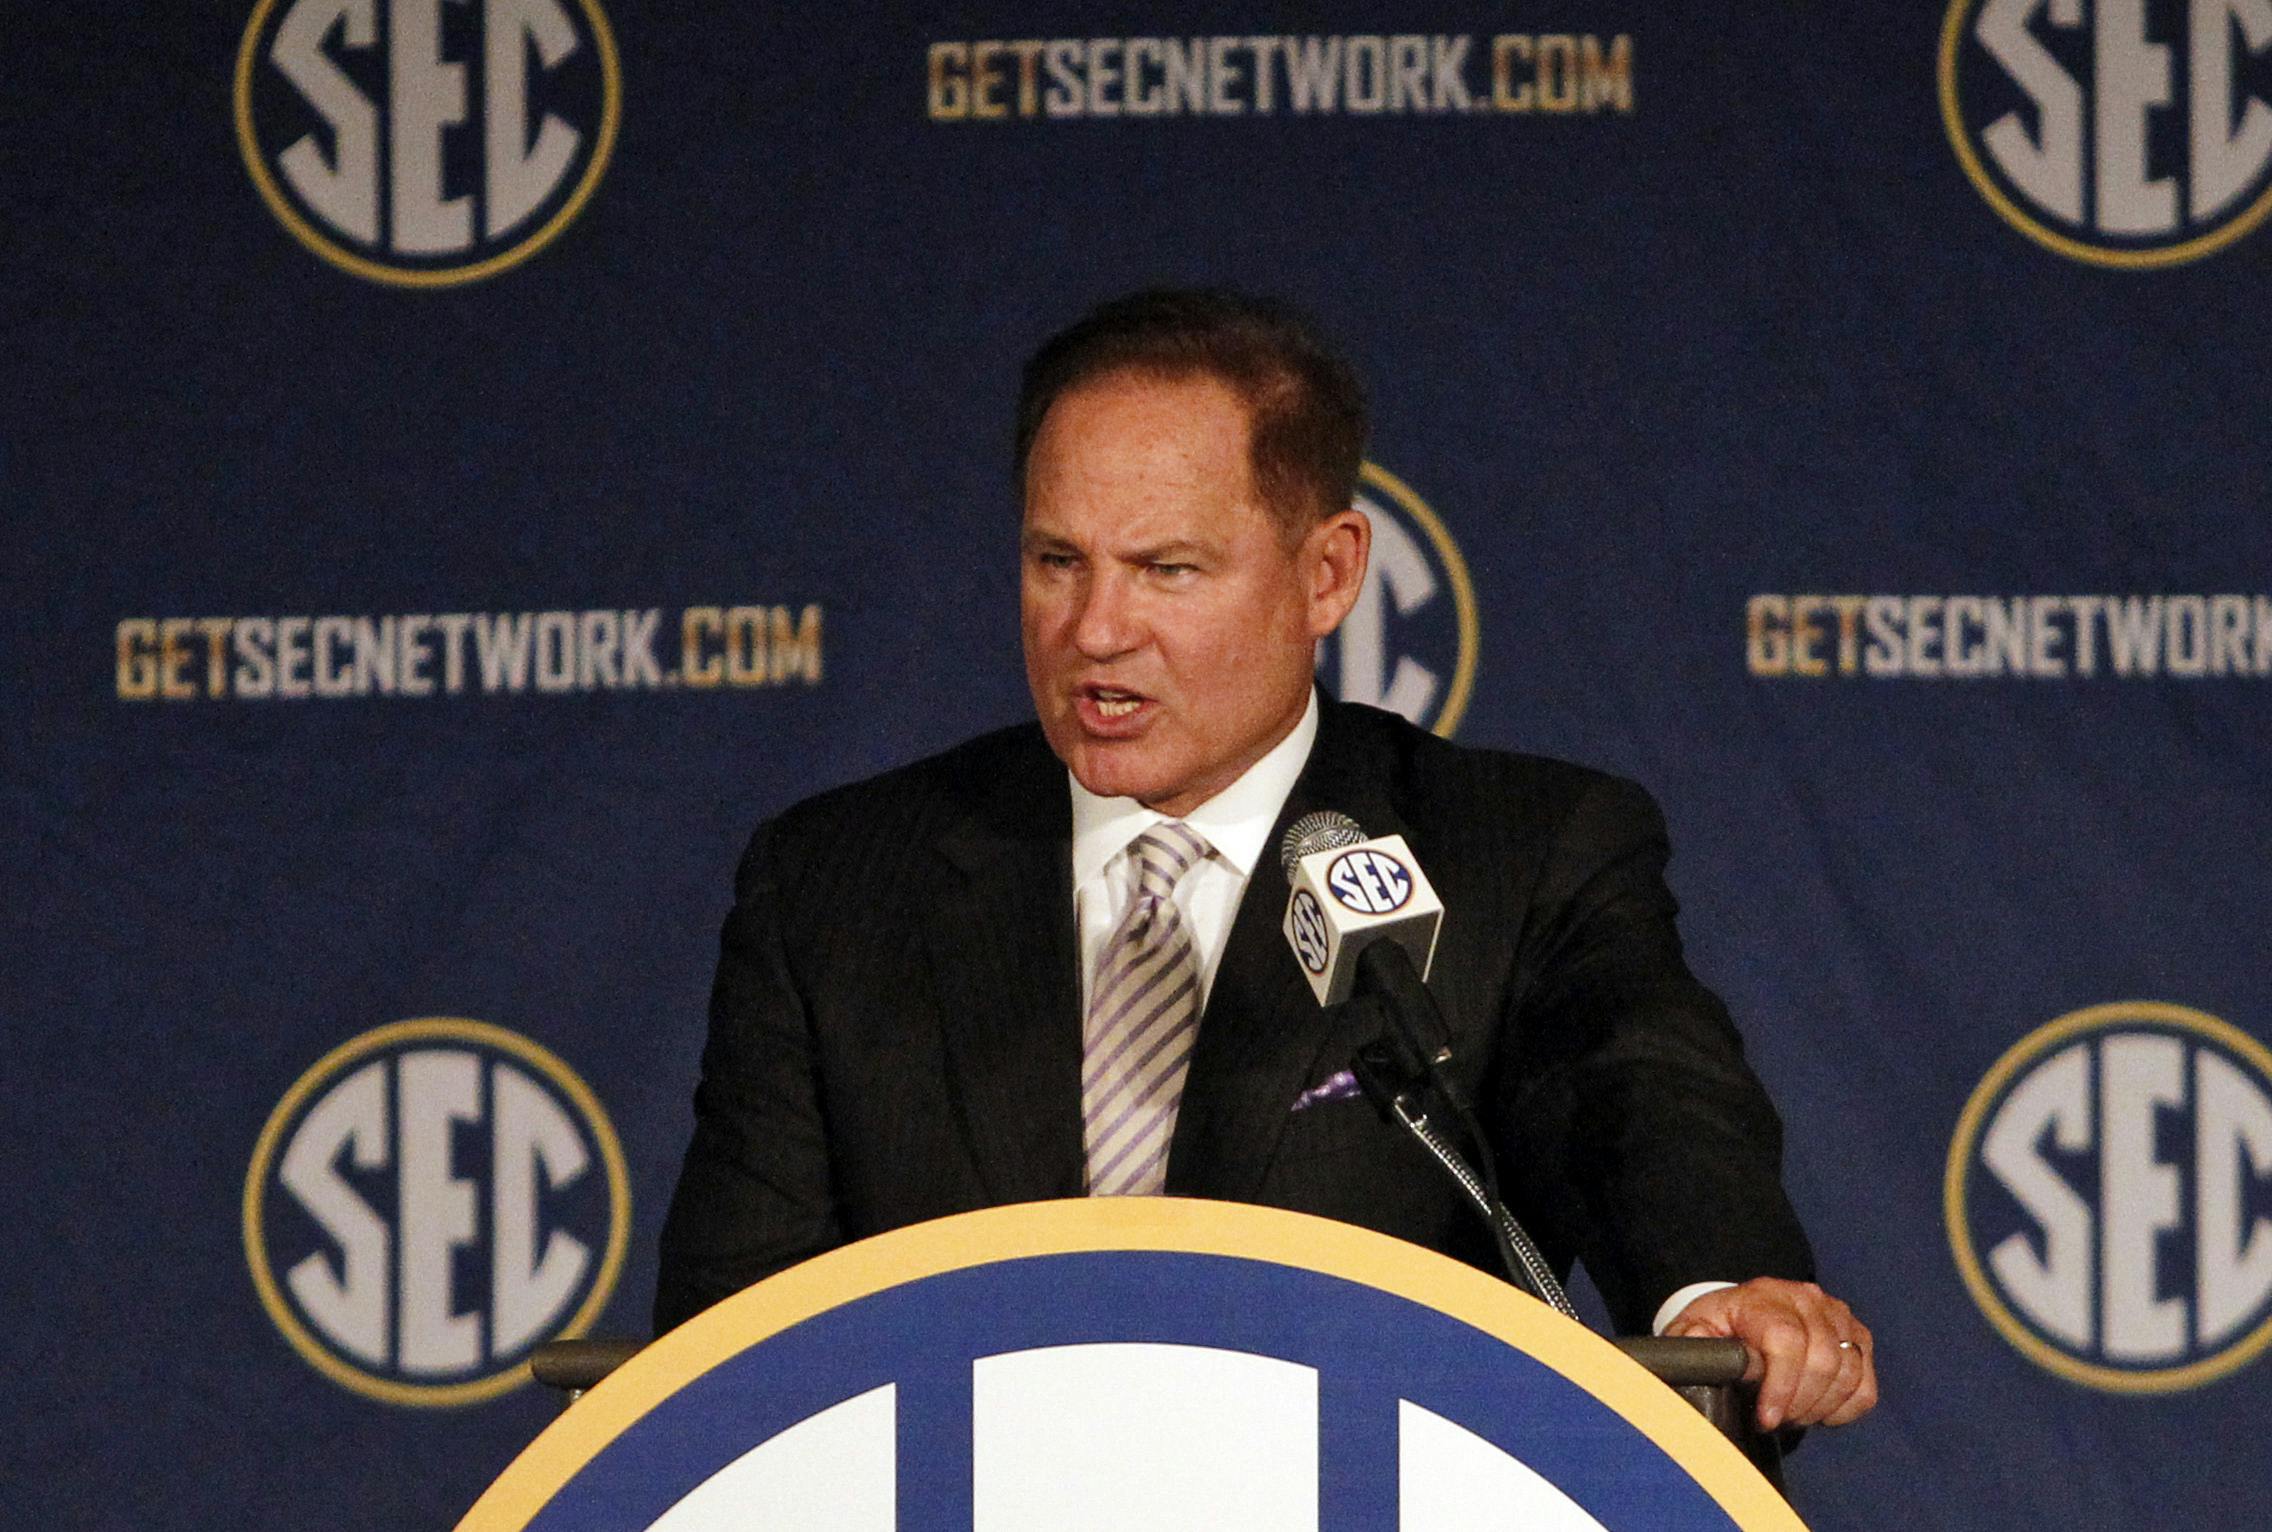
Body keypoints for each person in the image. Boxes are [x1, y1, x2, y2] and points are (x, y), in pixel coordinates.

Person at [655, 288, 1877, 1432]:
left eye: (1166, 568)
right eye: (1055, 561)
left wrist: (1716, 1287)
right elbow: (729, 1347)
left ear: (1328, 572)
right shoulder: (834, 885)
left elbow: (1638, 1090)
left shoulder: (1517, 853)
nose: (1095, 630)